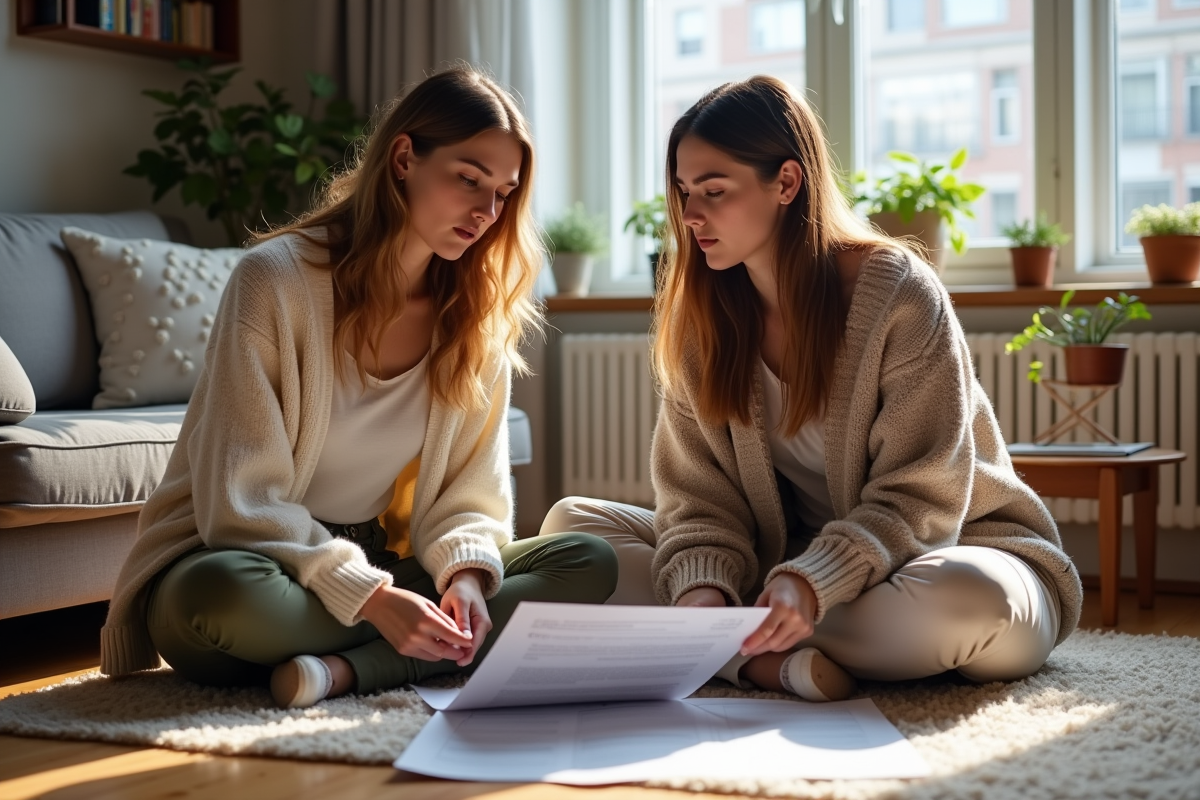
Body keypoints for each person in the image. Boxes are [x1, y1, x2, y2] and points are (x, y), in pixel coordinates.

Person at [539, 75, 1080, 701]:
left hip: (944, 554)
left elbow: (922, 499)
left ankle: (726, 651)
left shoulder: (898, 295)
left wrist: (812, 583)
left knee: (970, 606)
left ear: (787, 183)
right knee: (572, 526)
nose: (690, 216)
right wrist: (700, 589)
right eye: (685, 192)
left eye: (714, 191)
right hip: (784, 567)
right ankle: (761, 658)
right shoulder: (703, 318)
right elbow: (697, 499)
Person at [100, 67, 618, 709]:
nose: (487, 212)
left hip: (375, 559)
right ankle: (403, 648)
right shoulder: (274, 283)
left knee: (586, 561)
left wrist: (463, 575)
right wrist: (375, 599)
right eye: (468, 179)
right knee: (220, 599)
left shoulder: (475, 316)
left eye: (504, 194)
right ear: (405, 158)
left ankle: (340, 672)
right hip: (244, 561)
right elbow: (242, 503)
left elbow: (469, 496)